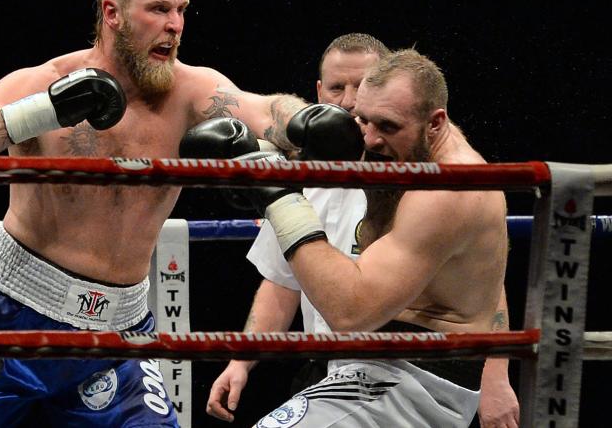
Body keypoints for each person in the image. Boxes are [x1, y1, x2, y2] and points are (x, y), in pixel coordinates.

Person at [0, 0, 316, 428]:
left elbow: (269, 111)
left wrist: (313, 121)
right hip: (3, 316)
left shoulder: (193, 92)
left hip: (118, 333)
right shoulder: (45, 81)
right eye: (158, 10)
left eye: (181, 10)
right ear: (113, 13)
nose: (175, 25)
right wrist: (45, 109)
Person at [206, 48, 516, 427]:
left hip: (412, 378)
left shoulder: (448, 189)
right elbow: (282, 283)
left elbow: (351, 313)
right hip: (373, 367)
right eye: (362, 121)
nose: (369, 140)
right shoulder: (405, 157)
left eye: (387, 126)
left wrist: (278, 196)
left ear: (435, 123)